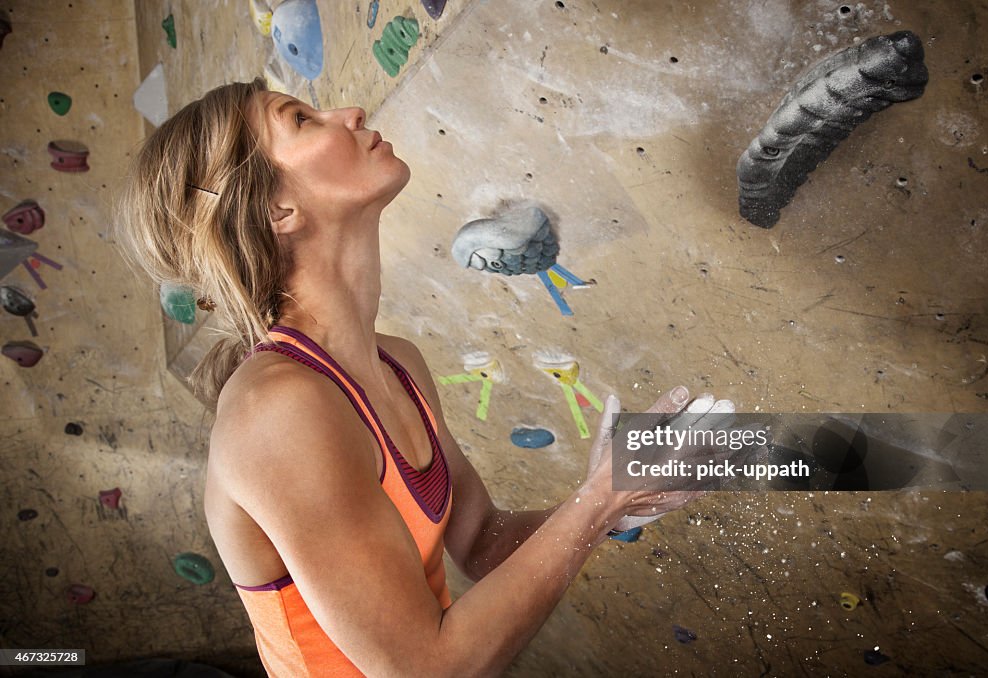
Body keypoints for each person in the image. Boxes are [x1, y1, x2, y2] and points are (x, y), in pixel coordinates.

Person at [116, 77, 719, 677]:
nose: (348, 112)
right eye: (300, 119)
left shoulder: (397, 363)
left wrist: (617, 501)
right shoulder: (277, 410)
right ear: (278, 210)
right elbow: (429, 669)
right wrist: (600, 501)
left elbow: (483, 541)